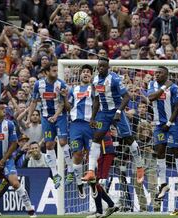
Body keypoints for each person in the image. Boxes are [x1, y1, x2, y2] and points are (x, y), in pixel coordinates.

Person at [83, 57, 144, 183]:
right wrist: (93, 117)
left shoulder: (115, 79)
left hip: (117, 111)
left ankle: (139, 166)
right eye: (99, 66)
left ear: (108, 67)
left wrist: (118, 111)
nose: (101, 68)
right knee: (96, 138)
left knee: (128, 138)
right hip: (104, 113)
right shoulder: (95, 80)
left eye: (103, 66)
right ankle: (90, 171)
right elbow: (96, 100)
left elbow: (126, 97)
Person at [27, 62, 73, 189]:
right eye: (53, 70)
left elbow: (63, 104)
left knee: (63, 141)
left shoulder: (61, 84)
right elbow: (34, 102)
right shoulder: (38, 84)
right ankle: (55, 174)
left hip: (60, 116)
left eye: (56, 70)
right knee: (48, 144)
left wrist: (56, 116)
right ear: (46, 72)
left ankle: (70, 169)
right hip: (46, 118)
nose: (56, 72)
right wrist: (28, 118)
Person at [147, 66, 178, 199]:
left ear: (166, 75)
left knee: (176, 150)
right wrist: (163, 88)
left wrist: (169, 123)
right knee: (160, 151)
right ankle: (163, 183)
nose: (156, 75)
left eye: (160, 73)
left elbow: (177, 106)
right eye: (155, 72)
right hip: (158, 125)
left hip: (172, 123)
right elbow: (151, 97)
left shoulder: (173, 87)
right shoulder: (152, 84)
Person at [62, 64, 94, 199]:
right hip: (75, 126)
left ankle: (93, 184)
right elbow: (69, 108)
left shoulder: (94, 89)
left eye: (88, 72)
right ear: (80, 75)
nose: (86, 74)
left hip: (90, 125)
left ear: (91, 75)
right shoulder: (73, 89)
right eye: (84, 72)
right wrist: (64, 97)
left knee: (93, 156)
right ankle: (79, 183)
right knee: (77, 154)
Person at [87, 132, 119, 218]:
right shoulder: (100, 127)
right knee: (94, 182)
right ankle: (109, 205)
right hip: (104, 153)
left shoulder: (100, 128)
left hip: (105, 153)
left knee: (95, 182)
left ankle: (101, 210)